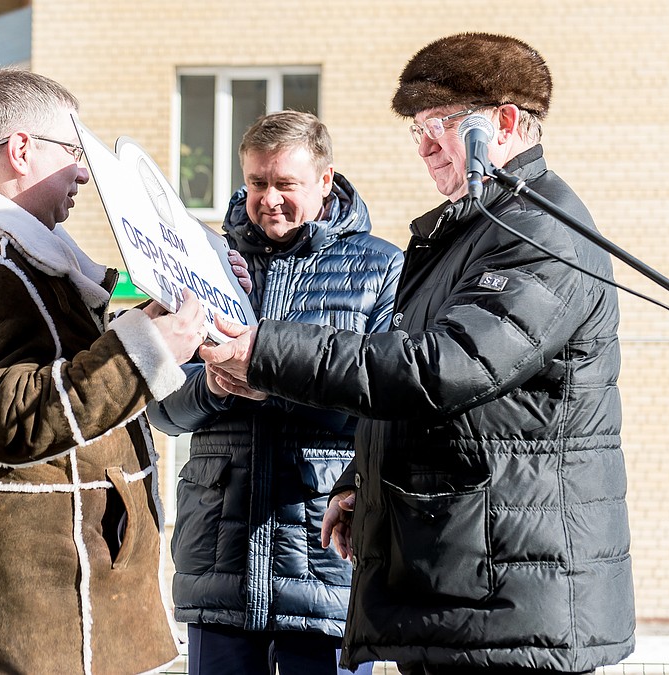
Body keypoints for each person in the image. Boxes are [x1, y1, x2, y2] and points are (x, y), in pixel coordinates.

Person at [200, 33, 635, 675]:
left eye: (439, 125)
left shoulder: (539, 236)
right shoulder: (471, 232)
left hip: (511, 592)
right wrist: (363, 485)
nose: (426, 146)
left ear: (504, 123)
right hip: (463, 578)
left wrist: (264, 348)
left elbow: (442, 368)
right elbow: (414, 384)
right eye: (417, 130)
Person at [0, 68, 212, 675]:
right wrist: (145, 347)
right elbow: (10, 422)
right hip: (31, 611)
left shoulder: (24, 258)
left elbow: (69, 368)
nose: (84, 171)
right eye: (72, 150)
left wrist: (162, 312)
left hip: (65, 601)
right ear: (21, 150)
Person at [147, 110, 402, 675]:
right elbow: (161, 410)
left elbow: (386, 411)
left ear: (326, 179)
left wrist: (273, 385)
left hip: (324, 571)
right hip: (219, 566)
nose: (269, 200)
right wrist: (213, 388)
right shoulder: (203, 265)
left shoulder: (380, 270)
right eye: (256, 183)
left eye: (286, 184)